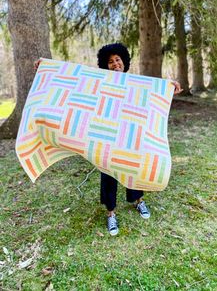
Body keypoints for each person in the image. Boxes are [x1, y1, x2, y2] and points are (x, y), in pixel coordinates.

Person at [34, 43, 182, 236]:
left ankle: (139, 201)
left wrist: (170, 87)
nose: (115, 64)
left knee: (133, 168)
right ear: (106, 65)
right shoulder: (101, 82)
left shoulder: (135, 82)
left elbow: (153, 92)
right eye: (110, 61)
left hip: (130, 136)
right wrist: (46, 68)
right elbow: (76, 80)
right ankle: (111, 213)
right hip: (106, 137)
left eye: (118, 60)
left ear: (124, 61)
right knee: (108, 174)